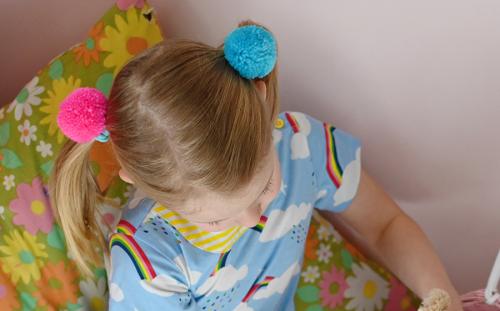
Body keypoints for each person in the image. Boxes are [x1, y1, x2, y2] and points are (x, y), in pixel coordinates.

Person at [49, 20, 463, 310]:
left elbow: (385, 225)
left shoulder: (302, 147)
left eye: (265, 186)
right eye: (216, 221)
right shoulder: (149, 264)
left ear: (264, 103)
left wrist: (443, 297)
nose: (252, 220)